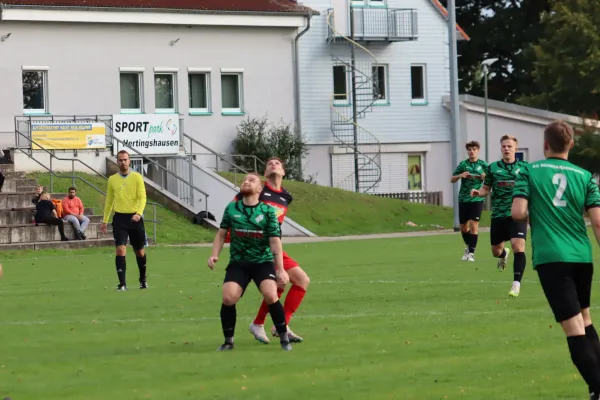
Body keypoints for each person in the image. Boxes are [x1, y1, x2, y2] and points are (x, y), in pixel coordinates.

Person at [512, 120, 600, 400]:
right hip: (582, 258)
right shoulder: (585, 176)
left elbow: (517, 212)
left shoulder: (528, 170)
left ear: (545, 145)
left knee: (573, 329)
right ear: (571, 145)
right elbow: (598, 222)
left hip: (553, 258)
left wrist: (536, 213)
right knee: (585, 320)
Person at [208, 172, 292, 352]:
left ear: (259, 189)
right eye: (244, 180)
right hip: (239, 262)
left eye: (251, 180)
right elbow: (221, 234)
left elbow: (275, 241)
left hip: (262, 262)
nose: (246, 182)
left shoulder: (268, 211)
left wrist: (281, 270)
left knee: (271, 295)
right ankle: (228, 341)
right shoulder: (232, 208)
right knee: (228, 297)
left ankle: (284, 339)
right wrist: (214, 254)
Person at [232, 158, 309, 344]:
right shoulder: (259, 189)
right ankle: (273, 324)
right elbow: (235, 207)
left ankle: (270, 324)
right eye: (269, 164)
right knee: (283, 283)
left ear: (283, 172)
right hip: (257, 247)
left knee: (300, 281)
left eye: (277, 163)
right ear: (265, 174)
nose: (273, 165)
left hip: (274, 246)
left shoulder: (286, 196)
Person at [471, 135, 528, 297]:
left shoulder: (524, 167)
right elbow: (486, 188)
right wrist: (478, 193)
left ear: (516, 149)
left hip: (518, 214)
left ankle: (516, 284)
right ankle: (504, 254)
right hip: (498, 215)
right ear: (501, 148)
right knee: (496, 251)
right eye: (504, 146)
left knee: (519, 247)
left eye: (510, 146)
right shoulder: (493, 168)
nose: (507, 149)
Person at [101, 150, 148, 291]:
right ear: (117, 162)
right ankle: (122, 284)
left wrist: (139, 213)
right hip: (120, 219)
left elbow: (142, 197)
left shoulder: (137, 177)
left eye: (125, 160)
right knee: (120, 250)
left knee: (139, 251)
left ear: (130, 161)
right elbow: (109, 200)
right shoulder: (112, 179)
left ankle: (142, 279)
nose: (123, 162)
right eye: (120, 160)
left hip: (135, 218)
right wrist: (105, 220)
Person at [450, 141, 487, 261]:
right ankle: (468, 246)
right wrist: (460, 175)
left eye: (474, 149)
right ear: (467, 151)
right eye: (470, 149)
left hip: (477, 198)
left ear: (478, 150)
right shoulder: (463, 164)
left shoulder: (483, 165)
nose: (472, 151)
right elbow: (452, 179)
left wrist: (485, 177)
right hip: (463, 198)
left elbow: (492, 178)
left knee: (474, 225)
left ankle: (471, 253)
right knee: (463, 228)